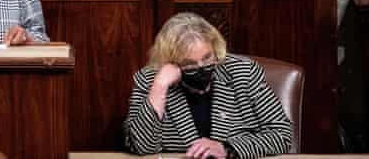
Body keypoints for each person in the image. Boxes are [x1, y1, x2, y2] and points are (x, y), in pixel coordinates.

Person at [124, 12, 291, 159]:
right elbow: (142, 147)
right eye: (189, 64)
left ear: (216, 48)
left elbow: (282, 135)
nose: (201, 67)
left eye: (207, 58)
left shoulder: (243, 73)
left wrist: (228, 149)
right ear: (170, 62)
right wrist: (160, 86)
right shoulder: (151, 80)